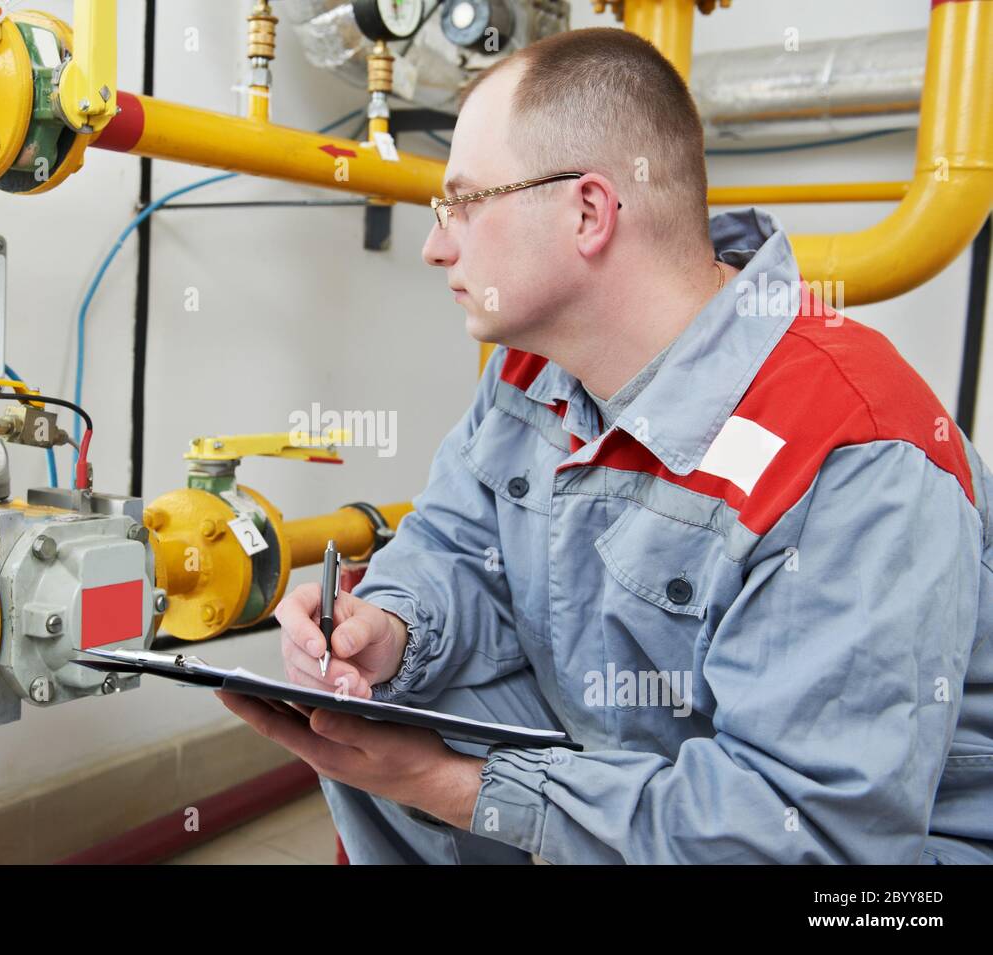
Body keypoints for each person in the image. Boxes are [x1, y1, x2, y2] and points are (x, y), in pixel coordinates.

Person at [216, 27, 993, 864]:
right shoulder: (531, 372)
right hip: (639, 765)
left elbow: (815, 839)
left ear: (587, 212)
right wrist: (392, 627)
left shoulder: (853, 451)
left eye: (465, 203)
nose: (438, 245)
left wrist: (455, 786)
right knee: (382, 698)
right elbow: (451, 545)